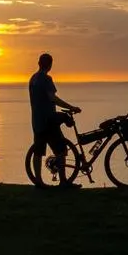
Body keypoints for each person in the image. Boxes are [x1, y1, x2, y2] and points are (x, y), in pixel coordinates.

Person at [29, 52, 81, 188]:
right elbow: (53, 98)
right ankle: (63, 181)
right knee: (61, 150)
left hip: (37, 120)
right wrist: (71, 107)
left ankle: (38, 181)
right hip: (49, 121)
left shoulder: (33, 79)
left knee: (38, 151)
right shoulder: (46, 79)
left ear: (39, 63)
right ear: (50, 65)